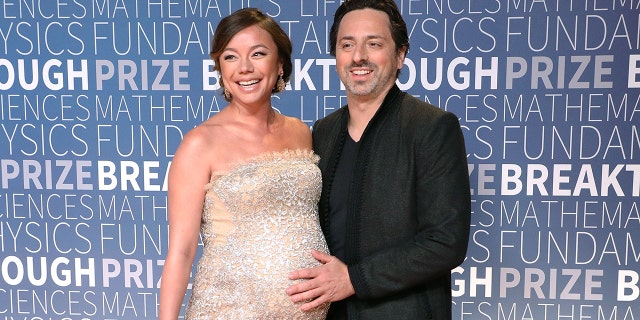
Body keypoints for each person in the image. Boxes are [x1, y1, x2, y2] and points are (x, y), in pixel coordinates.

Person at [286, 0, 472, 319]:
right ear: (336, 57)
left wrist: (354, 279)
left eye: (374, 44)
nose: (359, 56)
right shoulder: (324, 131)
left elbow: (445, 241)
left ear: (400, 55)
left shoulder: (431, 127)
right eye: (347, 45)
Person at [159, 8, 329, 320]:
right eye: (231, 57)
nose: (245, 68)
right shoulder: (200, 143)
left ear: (280, 64)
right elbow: (181, 252)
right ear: (220, 69)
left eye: (258, 53)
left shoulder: (301, 132)